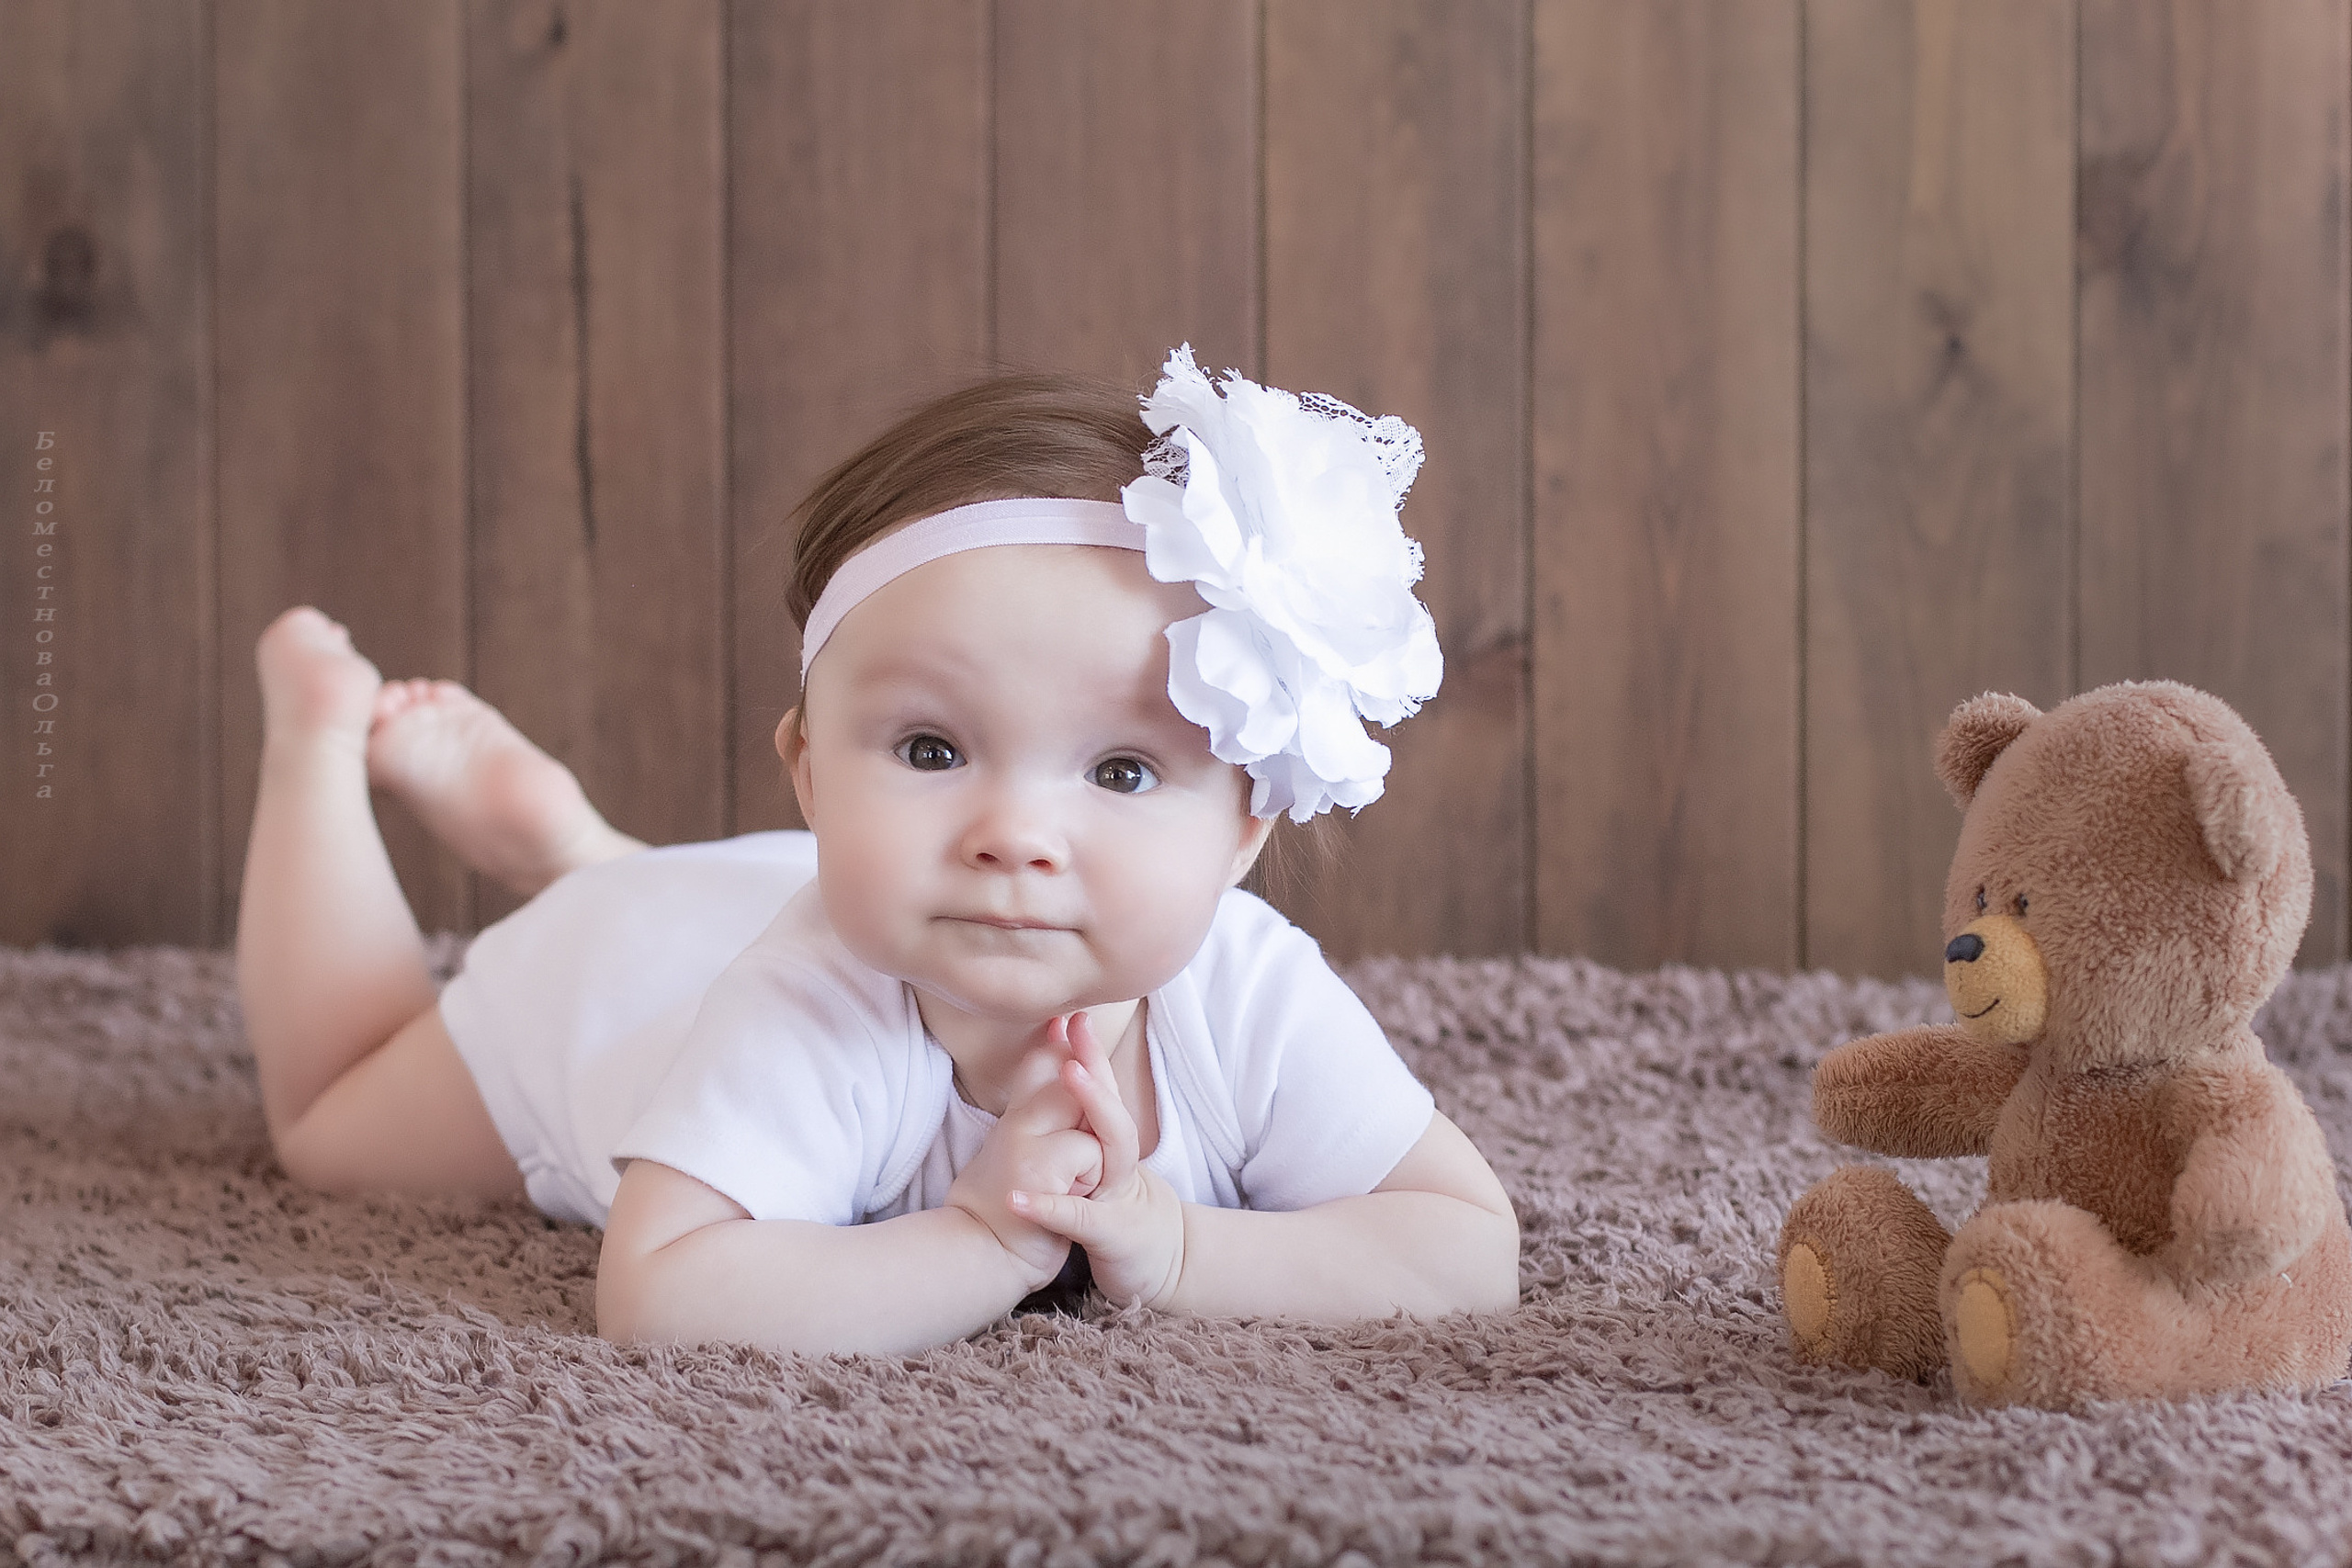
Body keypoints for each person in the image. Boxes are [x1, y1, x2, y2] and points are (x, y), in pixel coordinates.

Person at [235, 347, 1521, 1356]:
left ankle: (581, 844)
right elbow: (664, 1292)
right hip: (617, 979)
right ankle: (319, 741)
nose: (1015, 837)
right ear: (808, 769)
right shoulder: (806, 1005)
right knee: (331, 1124)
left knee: (705, 895)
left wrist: (1178, 1250)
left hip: (738, 890)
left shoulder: (1246, 993)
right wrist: (979, 1239)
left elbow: (1464, 1245)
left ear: (1246, 833)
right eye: (928, 751)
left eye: (1123, 773)